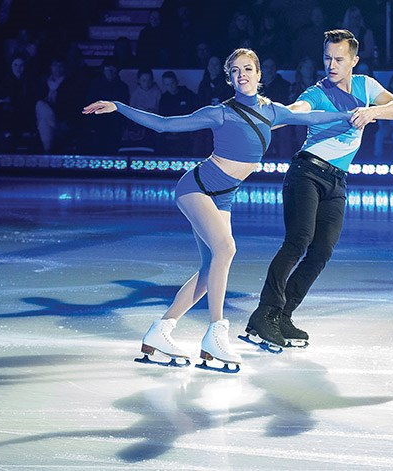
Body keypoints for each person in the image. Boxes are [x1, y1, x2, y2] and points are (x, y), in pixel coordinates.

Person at [82, 48, 353, 372]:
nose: (243, 74)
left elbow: (310, 117)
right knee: (226, 249)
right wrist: (119, 106)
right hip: (196, 187)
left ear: (258, 75)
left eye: (248, 69)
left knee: (211, 269)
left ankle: (160, 331)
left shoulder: (272, 111)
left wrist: (352, 115)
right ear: (230, 78)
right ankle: (215, 332)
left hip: (224, 195)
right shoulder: (220, 113)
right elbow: (165, 124)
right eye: (236, 70)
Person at [244, 30, 393, 350]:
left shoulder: (366, 87)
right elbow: (295, 110)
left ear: (354, 61)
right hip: (306, 173)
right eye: (327, 59)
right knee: (298, 241)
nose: (331, 65)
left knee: (321, 251)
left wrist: (372, 111)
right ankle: (265, 313)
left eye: (338, 59)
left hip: (337, 182)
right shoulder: (318, 92)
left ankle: (283, 315)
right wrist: (260, 120)